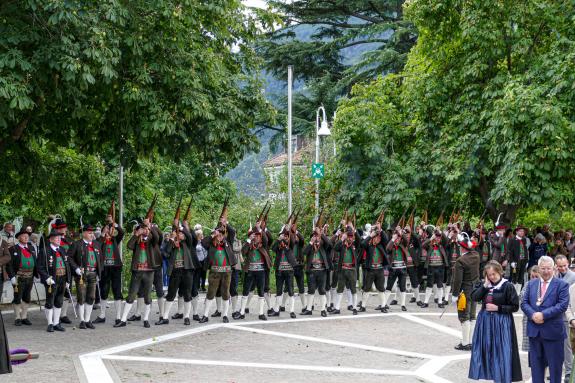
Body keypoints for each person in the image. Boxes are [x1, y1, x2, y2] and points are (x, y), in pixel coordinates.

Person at [469, 260, 522, 382]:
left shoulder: (507, 286)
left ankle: (501, 377)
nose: (492, 277)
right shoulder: (485, 285)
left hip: (501, 322)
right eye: (489, 274)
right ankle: (490, 374)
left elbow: (515, 306)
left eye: (494, 274)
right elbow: (474, 297)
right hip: (485, 322)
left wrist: (498, 308)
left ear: (500, 272)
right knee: (486, 350)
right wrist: (484, 286)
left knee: (501, 351)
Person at [521, 256, 570, 383]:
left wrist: (543, 315)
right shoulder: (531, 284)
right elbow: (524, 303)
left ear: (553, 269)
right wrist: (532, 315)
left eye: (548, 268)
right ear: (539, 268)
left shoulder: (562, 285)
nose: (546, 271)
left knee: (555, 369)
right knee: (536, 368)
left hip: (553, 333)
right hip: (534, 332)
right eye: (543, 268)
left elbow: (562, 305)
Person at [115, 219, 159, 328]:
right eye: (142, 229)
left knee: (147, 297)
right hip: (137, 271)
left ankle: (146, 319)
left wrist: (150, 228)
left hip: (149, 272)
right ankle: (123, 319)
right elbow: (129, 246)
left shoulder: (151, 239)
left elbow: (157, 238)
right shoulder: (137, 241)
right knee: (131, 295)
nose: (143, 231)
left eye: (145, 229)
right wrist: (135, 235)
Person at [199, 219, 236, 323]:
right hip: (214, 272)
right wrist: (213, 235)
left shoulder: (228, 242)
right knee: (210, 293)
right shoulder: (211, 243)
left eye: (221, 234)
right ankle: (205, 315)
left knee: (225, 293)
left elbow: (232, 232)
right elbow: (202, 242)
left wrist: (226, 224)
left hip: (226, 272)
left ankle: (225, 315)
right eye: (218, 234)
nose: (220, 236)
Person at [68, 224, 102, 329]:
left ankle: (88, 320)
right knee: (81, 297)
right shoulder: (77, 244)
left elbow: (101, 259)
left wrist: (99, 272)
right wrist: (76, 269)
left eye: (92, 232)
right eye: (89, 232)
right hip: (81, 275)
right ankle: (82, 320)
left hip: (93, 274)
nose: (92, 234)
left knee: (91, 297)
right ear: (84, 233)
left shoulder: (97, 244)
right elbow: (69, 258)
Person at [451, 232, 480, 351]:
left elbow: (458, 280)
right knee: (472, 316)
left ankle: (465, 343)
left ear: (462, 247)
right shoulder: (476, 256)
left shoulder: (460, 261)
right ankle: (471, 341)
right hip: (475, 289)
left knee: (464, 316)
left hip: (464, 290)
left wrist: (454, 294)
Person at [37, 229, 71, 332]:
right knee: (50, 301)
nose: (59, 239)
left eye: (60, 237)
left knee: (59, 301)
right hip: (52, 280)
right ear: (51, 239)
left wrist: (68, 280)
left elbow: (67, 265)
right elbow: (39, 267)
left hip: (62, 279)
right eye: (57, 237)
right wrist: (46, 278)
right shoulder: (45, 251)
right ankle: (50, 323)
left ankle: (56, 323)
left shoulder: (62, 250)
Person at [94, 218, 124, 325]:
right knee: (104, 291)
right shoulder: (100, 241)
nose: (109, 231)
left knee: (117, 292)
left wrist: (114, 224)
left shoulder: (116, 239)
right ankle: (102, 315)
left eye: (110, 229)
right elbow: (96, 246)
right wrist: (103, 234)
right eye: (107, 229)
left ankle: (118, 316)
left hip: (115, 268)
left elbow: (122, 232)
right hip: (105, 269)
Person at [8, 227, 38, 326]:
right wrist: (12, 277)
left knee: (27, 297)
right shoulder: (13, 249)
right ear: (19, 238)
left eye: (27, 236)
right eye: (23, 236)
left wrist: (37, 274)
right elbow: (9, 265)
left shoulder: (31, 248)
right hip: (18, 278)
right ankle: (17, 317)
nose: (26, 238)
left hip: (30, 277)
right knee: (17, 297)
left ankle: (24, 316)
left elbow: (36, 262)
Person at [555, 255, 575, 382]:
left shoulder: (573, 277)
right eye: (560, 266)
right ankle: (556, 371)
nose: (562, 268)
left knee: (567, 347)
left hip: (566, 317)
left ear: (568, 263)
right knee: (556, 346)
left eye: (564, 266)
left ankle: (568, 373)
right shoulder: (555, 276)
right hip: (554, 317)